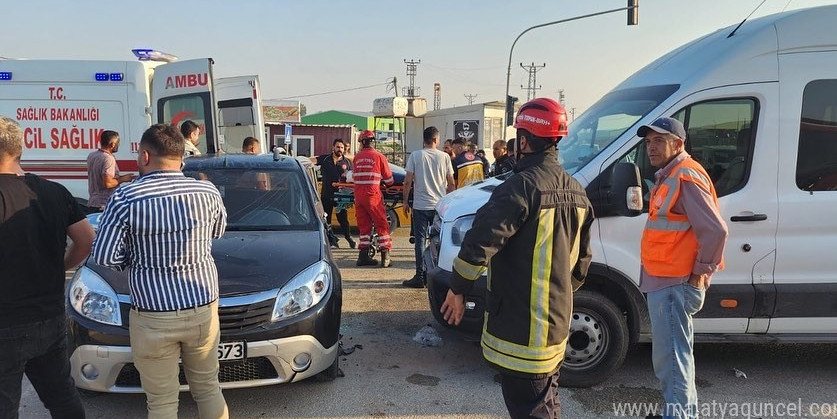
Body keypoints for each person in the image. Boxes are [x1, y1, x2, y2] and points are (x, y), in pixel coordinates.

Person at [440, 98, 594, 419]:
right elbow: (581, 265)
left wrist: (457, 289)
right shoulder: (578, 191)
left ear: (523, 141)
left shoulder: (521, 186)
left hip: (523, 334)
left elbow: (480, 241)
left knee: (532, 410)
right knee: (547, 402)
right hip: (556, 326)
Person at [92, 124, 229, 419]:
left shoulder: (126, 198)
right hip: (202, 308)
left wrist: (137, 256)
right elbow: (216, 233)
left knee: (162, 403)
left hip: (153, 315)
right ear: (181, 157)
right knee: (207, 388)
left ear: (144, 155)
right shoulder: (207, 191)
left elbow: (105, 257)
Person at [0, 116, 94, 419]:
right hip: (50, 318)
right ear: (19, 150)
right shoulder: (54, 192)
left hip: (6, 322)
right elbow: (85, 240)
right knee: (62, 397)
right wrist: (58, 267)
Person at [637, 117, 728, 419]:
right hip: (666, 280)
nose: (651, 147)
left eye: (659, 140)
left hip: (674, 283)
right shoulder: (672, 174)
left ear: (678, 144)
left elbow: (716, 231)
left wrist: (698, 274)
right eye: (649, 141)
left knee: (672, 360)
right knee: (674, 359)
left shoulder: (685, 176)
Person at [401, 126, 454, 288]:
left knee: (420, 241)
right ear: (436, 140)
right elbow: (451, 183)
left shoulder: (416, 156)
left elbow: (408, 181)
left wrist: (405, 201)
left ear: (423, 140)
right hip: (439, 206)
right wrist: (450, 202)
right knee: (441, 240)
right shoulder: (445, 157)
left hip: (420, 206)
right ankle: (441, 274)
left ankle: (420, 275)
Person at [352, 130, 394, 267]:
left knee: (364, 227)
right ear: (372, 141)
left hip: (358, 196)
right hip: (372, 196)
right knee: (382, 224)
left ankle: (363, 256)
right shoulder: (379, 156)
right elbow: (389, 180)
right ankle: (385, 256)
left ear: (362, 142)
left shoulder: (356, 158)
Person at [315, 138, 355, 249]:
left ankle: (349, 238)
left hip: (341, 196)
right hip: (327, 194)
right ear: (333, 147)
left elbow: (351, 177)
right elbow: (312, 160)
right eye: (337, 147)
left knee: (343, 219)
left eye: (342, 147)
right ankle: (330, 240)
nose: (340, 149)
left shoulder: (347, 162)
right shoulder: (325, 159)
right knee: (326, 219)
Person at [86, 130, 133, 210]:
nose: (118, 145)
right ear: (112, 144)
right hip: (104, 205)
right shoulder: (108, 159)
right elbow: (108, 183)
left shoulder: (92, 155)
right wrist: (123, 179)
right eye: (118, 143)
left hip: (93, 203)